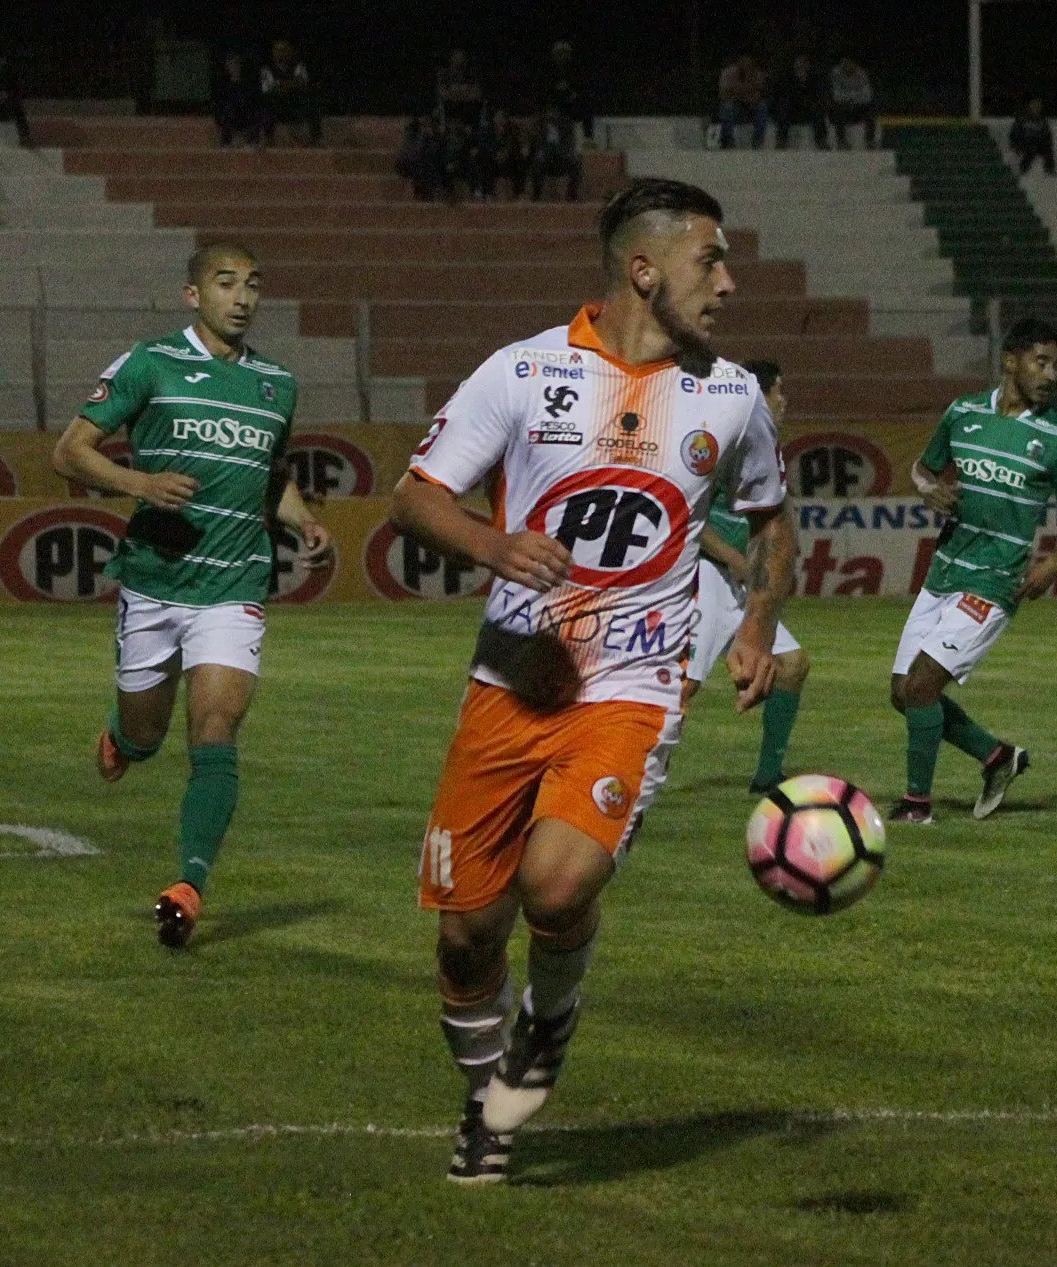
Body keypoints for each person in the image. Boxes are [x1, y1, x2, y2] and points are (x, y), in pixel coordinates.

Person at [387, 178, 795, 1184]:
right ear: (643, 270)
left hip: (635, 682)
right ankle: (489, 1102)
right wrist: (493, 544)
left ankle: (552, 1012)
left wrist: (756, 625)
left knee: (558, 884)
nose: (730, 283)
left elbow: (774, 520)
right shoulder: (523, 373)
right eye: (712, 260)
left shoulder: (731, 394)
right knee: (464, 936)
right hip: (513, 679)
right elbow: (412, 498)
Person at [50, 243, 333, 949]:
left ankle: (189, 885)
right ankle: (123, 734)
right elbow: (69, 451)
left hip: (234, 582)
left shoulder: (277, 383)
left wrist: (302, 520)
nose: (242, 297)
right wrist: (140, 484)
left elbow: (269, 474)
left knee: (215, 730)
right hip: (154, 581)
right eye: (225, 282)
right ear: (192, 295)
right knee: (146, 737)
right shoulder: (149, 362)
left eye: (253, 284)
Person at [888, 317, 1057, 825]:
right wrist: (927, 489)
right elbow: (922, 468)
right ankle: (996, 757)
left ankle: (917, 806)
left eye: (1056, 365)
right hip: (944, 569)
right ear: (1010, 361)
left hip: (994, 579)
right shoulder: (963, 414)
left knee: (920, 689)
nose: (1050, 375)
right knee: (904, 694)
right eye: (1040, 362)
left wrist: (1053, 563)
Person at [682, 358, 810, 792]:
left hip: (736, 582)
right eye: (779, 391)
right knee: (681, 687)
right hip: (705, 576)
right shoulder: (724, 442)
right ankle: (618, 774)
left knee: (791, 666)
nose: (784, 401)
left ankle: (768, 778)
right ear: (762, 393)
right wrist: (738, 560)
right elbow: (691, 517)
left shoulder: (764, 444)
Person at [258, 40, 321, 147]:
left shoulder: (298, 65)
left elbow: (302, 83)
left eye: (284, 50)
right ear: (273, 52)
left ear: (290, 51)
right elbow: (267, 89)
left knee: (311, 100)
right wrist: (290, 84)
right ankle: (268, 139)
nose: (281, 53)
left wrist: (280, 85)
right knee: (268, 101)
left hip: (295, 106)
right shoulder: (266, 69)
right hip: (279, 107)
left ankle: (316, 139)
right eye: (278, 50)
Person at [542, 41, 594, 147]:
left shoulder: (574, 71)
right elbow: (546, 92)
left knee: (587, 104)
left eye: (565, 53)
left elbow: (581, 89)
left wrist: (573, 94)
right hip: (555, 107)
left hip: (571, 106)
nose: (562, 57)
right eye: (560, 53)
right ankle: (551, 142)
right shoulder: (549, 72)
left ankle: (588, 138)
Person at [773, 53, 829, 149]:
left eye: (803, 64)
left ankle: (821, 141)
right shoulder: (788, 78)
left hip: (809, 110)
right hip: (793, 110)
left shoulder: (815, 79)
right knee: (783, 110)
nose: (801, 67)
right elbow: (784, 95)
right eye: (799, 64)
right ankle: (781, 140)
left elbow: (819, 95)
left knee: (818, 113)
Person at [717, 54, 769, 149]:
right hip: (734, 107)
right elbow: (724, 95)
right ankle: (728, 141)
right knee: (726, 107)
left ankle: (758, 141)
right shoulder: (728, 73)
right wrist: (744, 94)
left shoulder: (757, 75)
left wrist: (740, 93)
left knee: (762, 107)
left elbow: (758, 96)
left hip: (750, 108)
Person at [211, 52, 259, 148]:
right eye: (231, 64)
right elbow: (219, 106)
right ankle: (226, 142)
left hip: (246, 119)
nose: (234, 67)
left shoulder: (248, 86)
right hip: (229, 121)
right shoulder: (223, 86)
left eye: (236, 63)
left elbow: (252, 104)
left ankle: (251, 141)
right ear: (227, 66)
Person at [828, 56, 875, 149]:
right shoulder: (836, 74)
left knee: (870, 110)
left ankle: (870, 140)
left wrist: (851, 98)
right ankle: (841, 141)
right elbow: (836, 96)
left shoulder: (862, 74)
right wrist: (852, 97)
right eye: (844, 63)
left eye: (849, 63)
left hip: (857, 106)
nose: (847, 66)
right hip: (843, 106)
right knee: (836, 110)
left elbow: (867, 96)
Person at [397, 112, 446, 200]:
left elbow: (439, 152)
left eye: (427, 124)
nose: (425, 127)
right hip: (416, 165)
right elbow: (408, 152)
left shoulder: (437, 136)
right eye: (423, 124)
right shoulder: (412, 134)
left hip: (431, 166)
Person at [1009, 96, 1056, 175]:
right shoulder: (1022, 119)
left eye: (1038, 106)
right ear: (1030, 106)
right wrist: (1015, 145)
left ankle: (1049, 169)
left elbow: (1048, 135)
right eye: (1034, 106)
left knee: (1048, 149)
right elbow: (1014, 133)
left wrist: (1048, 143)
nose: (1036, 108)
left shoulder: (1042, 120)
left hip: (1038, 144)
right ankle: (1023, 169)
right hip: (1025, 144)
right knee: (1031, 149)